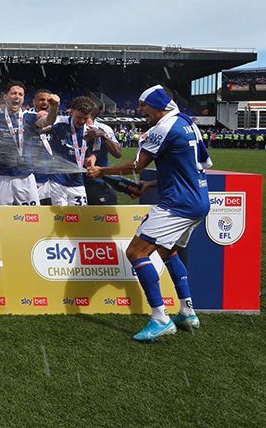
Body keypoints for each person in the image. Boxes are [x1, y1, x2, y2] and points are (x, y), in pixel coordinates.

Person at [87, 85, 210, 342]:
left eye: (144, 106)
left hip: (177, 205)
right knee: (168, 251)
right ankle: (187, 311)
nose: (141, 111)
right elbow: (199, 166)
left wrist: (102, 171)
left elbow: (136, 165)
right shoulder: (188, 123)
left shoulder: (162, 128)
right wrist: (151, 185)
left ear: (157, 105)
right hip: (198, 201)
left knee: (136, 252)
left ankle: (160, 318)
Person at [0, 82, 58, 206]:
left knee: (32, 215)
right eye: (13, 93)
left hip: (26, 177)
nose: (17, 96)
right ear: (5, 97)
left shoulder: (30, 117)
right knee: (4, 217)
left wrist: (54, 108)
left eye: (20, 94)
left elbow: (48, 121)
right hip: (2, 176)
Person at [46, 96, 97, 206]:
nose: (82, 121)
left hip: (78, 182)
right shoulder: (60, 122)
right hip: (58, 181)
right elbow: (43, 126)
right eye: (79, 117)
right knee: (61, 218)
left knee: (80, 217)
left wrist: (92, 159)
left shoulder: (91, 131)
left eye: (86, 118)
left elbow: (92, 152)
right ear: (71, 111)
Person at [83, 104, 123, 205]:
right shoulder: (74, 127)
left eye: (85, 118)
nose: (82, 121)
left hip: (98, 181)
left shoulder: (105, 128)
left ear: (91, 116)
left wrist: (103, 136)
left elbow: (118, 153)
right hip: (75, 183)